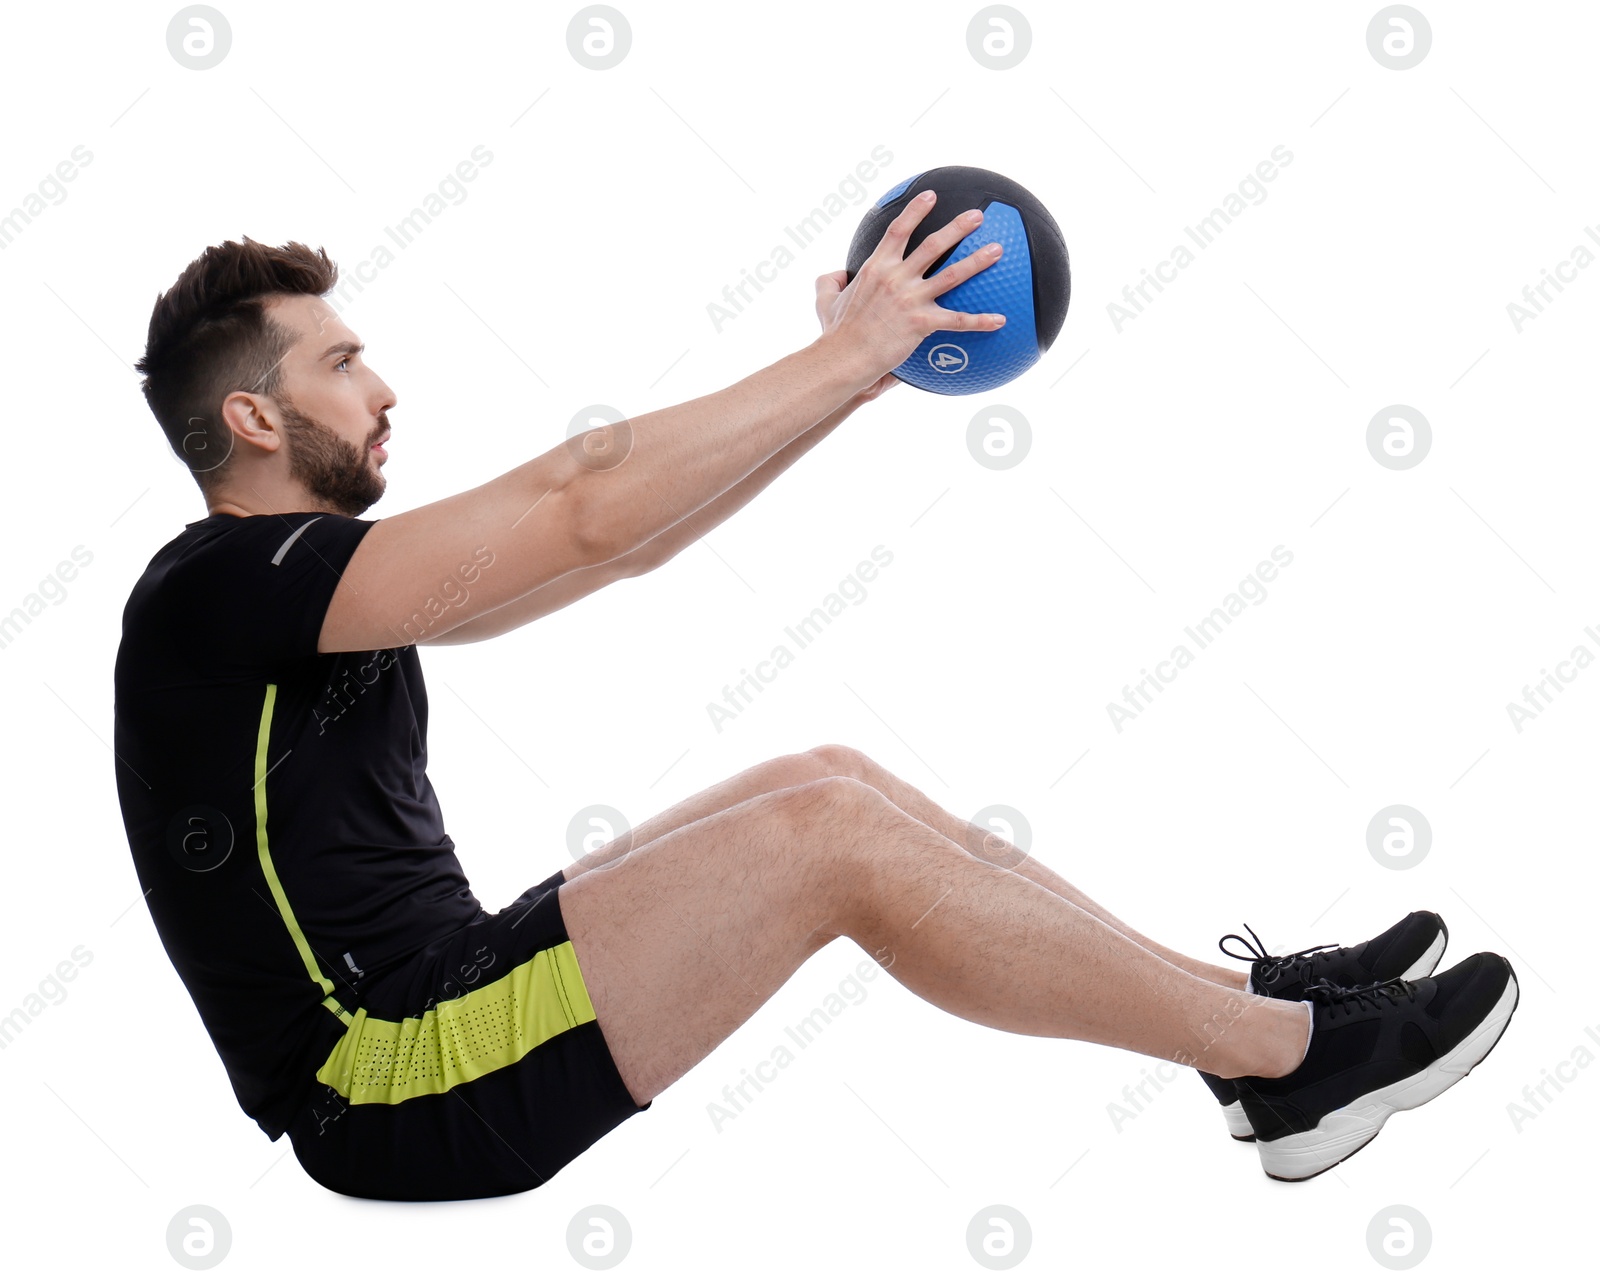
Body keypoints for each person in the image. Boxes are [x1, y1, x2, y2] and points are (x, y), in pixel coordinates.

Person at [115, 198, 1517, 1202]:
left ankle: (1246, 1011)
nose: (385, 385)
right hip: (390, 1075)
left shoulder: (293, 586)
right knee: (823, 843)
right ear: (252, 416)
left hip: (453, 988)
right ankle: (1297, 1061)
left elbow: (636, 540)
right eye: (343, 362)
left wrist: (856, 383)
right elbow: (581, 508)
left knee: (825, 779)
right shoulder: (218, 585)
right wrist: (846, 351)